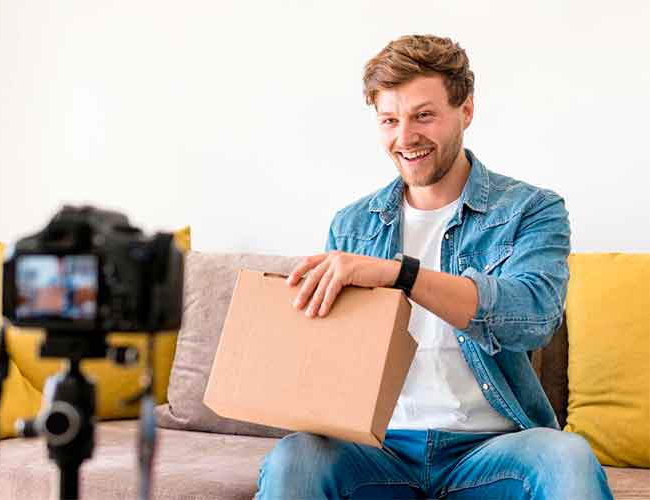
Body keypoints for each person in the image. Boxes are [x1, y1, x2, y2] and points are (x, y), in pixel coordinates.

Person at [255, 34, 612, 499]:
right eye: (390, 120)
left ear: (465, 111)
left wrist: (402, 274)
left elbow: (534, 317)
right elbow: (331, 357)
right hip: (379, 449)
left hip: (492, 449)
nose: (405, 138)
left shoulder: (531, 210)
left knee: (566, 455)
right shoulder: (352, 225)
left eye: (424, 115)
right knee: (294, 456)